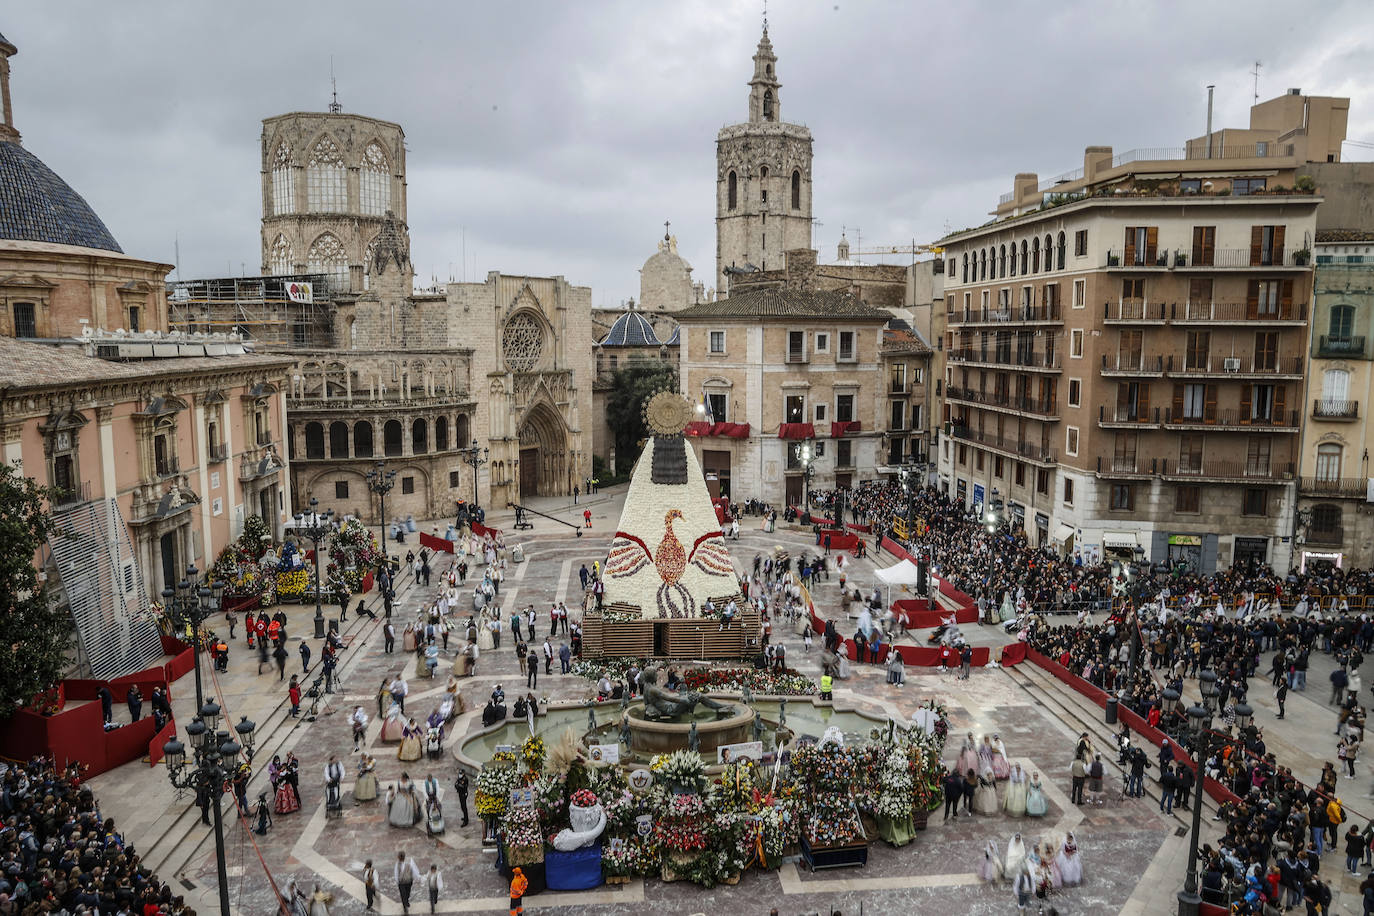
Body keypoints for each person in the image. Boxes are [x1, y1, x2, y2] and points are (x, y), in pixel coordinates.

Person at [395, 850, 421, 915]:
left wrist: (417, 877)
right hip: (401, 882)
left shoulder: (410, 861)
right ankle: (405, 906)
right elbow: (396, 872)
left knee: (407, 893)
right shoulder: (397, 863)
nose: (400, 858)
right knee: (403, 894)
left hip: (409, 881)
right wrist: (397, 880)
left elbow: (414, 869)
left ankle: (406, 901)